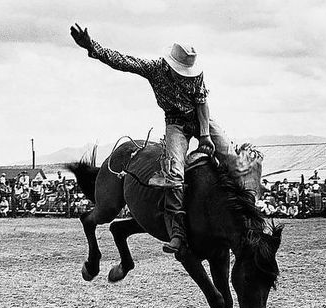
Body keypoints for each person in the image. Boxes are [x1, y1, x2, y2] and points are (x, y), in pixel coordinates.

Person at [70, 23, 235, 254]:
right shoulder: (154, 68)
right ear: (170, 65)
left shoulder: (196, 74)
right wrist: (92, 47)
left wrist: (206, 135)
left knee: (233, 157)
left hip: (200, 120)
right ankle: (177, 232)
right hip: (176, 124)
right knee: (174, 172)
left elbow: (202, 103)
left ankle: (247, 217)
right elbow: (122, 61)